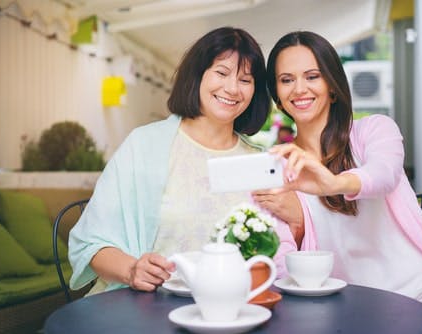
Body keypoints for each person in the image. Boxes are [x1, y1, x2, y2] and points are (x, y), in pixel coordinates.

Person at [253, 31, 422, 333]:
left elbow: (383, 174)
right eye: (286, 80)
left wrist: (332, 184)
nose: (299, 89)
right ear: (277, 95)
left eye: (312, 76)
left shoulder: (374, 130)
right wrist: (297, 228)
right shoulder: (278, 167)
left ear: (332, 86)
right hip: (351, 311)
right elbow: (281, 256)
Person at [68, 27, 302, 295]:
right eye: (221, 73)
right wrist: (131, 270)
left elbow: (276, 251)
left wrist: (297, 220)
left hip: (230, 308)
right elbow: (90, 242)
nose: (232, 88)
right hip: (146, 306)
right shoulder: (144, 146)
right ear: (198, 75)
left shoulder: (260, 162)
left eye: (245, 80)